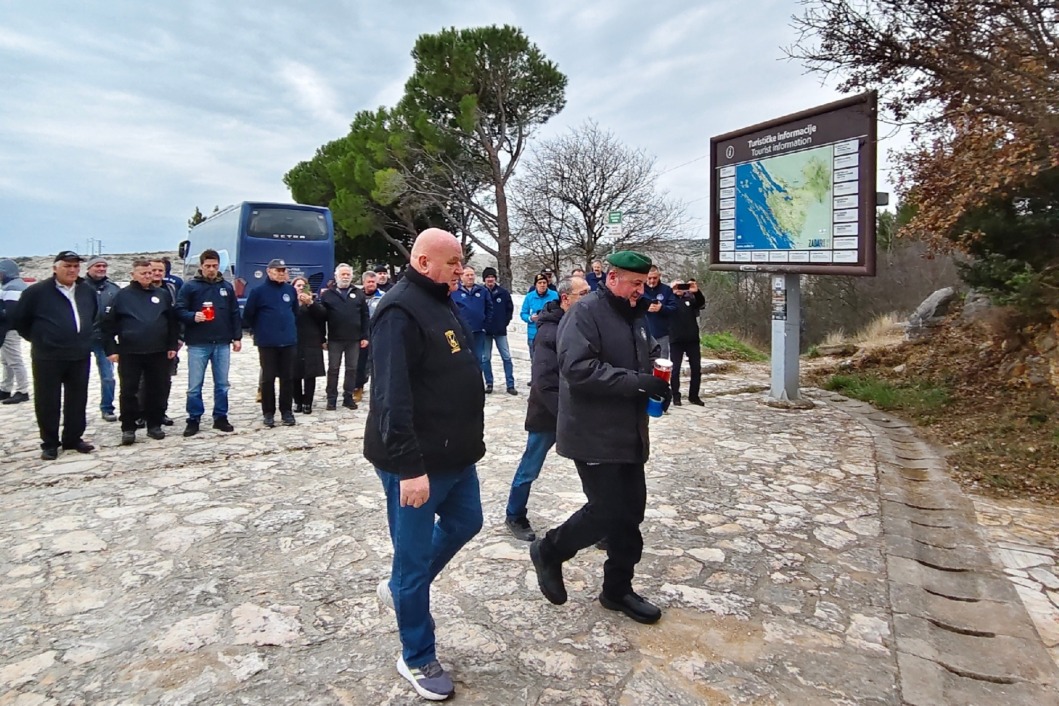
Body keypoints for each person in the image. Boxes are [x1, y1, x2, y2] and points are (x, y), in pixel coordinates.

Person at [364, 228, 485, 701]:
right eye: (453, 262)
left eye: (461, 261)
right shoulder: (398, 310)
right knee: (412, 561)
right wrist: (409, 468)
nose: (460, 269)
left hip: (455, 454)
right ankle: (416, 654)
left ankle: (399, 590)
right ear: (422, 261)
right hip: (415, 463)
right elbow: (390, 396)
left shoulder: (442, 299)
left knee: (466, 522)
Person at [529, 250, 671, 625]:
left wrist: (657, 383)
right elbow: (577, 368)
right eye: (635, 283)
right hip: (592, 431)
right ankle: (550, 550)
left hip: (629, 432)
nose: (641, 290)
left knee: (631, 513)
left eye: (644, 283)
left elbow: (649, 355)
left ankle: (617, 590)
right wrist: (636, 382)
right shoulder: (585, 312)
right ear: (611, 278)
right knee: (606, 510)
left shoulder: (635, 315)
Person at [505, 275, 590, 541]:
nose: (589, 298)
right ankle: (514, 514)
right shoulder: (548, 332)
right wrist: (566, 415)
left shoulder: (583, 324)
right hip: (549, 413)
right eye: (583, 293)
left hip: (578, 412)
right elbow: (544, 382)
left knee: (592, 468)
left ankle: (599, 519)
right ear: (566, 299)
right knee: (530, 467)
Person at [11, 251, 99, 460]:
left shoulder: (86, 290)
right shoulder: (37, 292)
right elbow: (21, 320)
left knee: (77, 398)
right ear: (55, 268)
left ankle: (73, 438)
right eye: (67, 266)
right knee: (47, 400)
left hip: (79, 354)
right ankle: (50, 442)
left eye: (75, 266)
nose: (72, 270)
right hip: (48, 356)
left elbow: (93, 315)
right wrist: (42, 339)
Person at [103, 259, 180, 445]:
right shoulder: (122, 296)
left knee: (157, 389)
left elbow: (172, 322)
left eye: (149, 273)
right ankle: (128, 427)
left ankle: (154, 425)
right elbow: (107, 325)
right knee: (129, 391)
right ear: (133, 275)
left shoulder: (162, 294)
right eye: (143, 273)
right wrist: (111, 349)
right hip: (130, 352)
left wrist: (172, 346)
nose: (147, 276)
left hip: (158, 351)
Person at [174, 249, 242, 437]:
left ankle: (220, 416)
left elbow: (234, 313)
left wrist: (237, 337)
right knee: (194, 385)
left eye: (215, 266)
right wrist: (192, 316)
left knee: (222, 384)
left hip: (222, 342)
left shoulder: (226, 287)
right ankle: (193, 418)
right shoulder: (190, 287)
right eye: (208, 266)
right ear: (201, 266)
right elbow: (178, 310)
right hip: (198, 343)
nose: (211, 269)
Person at [243, 258, 299, 428]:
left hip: (288, 341)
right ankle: (268, 412)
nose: (281, 273)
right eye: (278, 270)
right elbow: (248, 315)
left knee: (287, 378)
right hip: (267, 342)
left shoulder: (290, 290)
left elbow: (295, 312)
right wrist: (260, 330)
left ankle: (286, 411)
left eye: (283, 270)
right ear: (269, 271)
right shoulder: (258, 292)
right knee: (268, 378)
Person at [320, 264, 369, 410]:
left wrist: (365, 336)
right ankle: (331, 398)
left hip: (354, 339)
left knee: (352, 369)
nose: (346, 277)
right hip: (335, 339)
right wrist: (322, 338)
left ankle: (348, 397)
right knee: (333, 369)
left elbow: (365, 316)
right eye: (343, 274)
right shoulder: (327, 294)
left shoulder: (358, 293)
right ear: (336, 276)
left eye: (348, 274)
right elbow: (321, 318)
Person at [82, 256, 121, 421]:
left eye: (104, 266)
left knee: (108, 376)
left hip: (103, 338)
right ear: (89, 268)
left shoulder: (113, 289)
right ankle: (76, 410)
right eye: (97, 266)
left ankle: (107, 408)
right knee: (78, 377)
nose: (101, 269)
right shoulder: (79, 287)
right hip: (82, 338)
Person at [290, 276, 327, 414]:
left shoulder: (313, 302)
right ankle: (297, 401)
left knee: (310, 373)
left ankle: (308, 402)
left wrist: (310, 303)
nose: (301, 288)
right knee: (294, 373)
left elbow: (323, 316)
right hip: (294, 341)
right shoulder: (290, 302)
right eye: (298, 285)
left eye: (303, 285)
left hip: (311, 341)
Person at [450, 266, 493, 386]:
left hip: (479, 331)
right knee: (463, 358)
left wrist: (485, 324)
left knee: (479, 358)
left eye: (472, 275)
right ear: (461, 277)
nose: (470, 277)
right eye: (467, 275)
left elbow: (489, 308)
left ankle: (478, 383)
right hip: (461, 332)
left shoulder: (482, 291)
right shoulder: (455, 291)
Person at [669, 279, 706, 407]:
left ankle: (694, 396)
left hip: (692, 340)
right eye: (677, 287)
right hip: (676, 340)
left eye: (681, 286)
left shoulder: (690, 299)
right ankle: (676, 396)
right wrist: (671, 292)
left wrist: (696, 292)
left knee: (696, 369)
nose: (679, 289)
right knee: (675, 370)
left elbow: (701, 303)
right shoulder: (670, 300)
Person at [480, 266, 516, 395]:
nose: (490, 279)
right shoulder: (481, 292)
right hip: (486, 332)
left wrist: (504, 323)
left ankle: (510, 384)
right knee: (485, 358)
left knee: (506, 357)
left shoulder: (503, 293)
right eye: (488, 277)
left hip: (500, 331)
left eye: (492, 277)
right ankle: (489, 383)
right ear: (484, 279)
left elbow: (509, 309)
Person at [0, 259, 30, 405]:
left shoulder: (13, 287)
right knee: (6, 361)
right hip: (9, 328)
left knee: (14, 361)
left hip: (9, 329)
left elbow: (10, 312)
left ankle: (22, 390)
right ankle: (5, 388)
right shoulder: (13, 285)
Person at [353, 270, 385, 401]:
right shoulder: (357, 296)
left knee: (378, 363)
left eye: (373, 282)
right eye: (369, 282)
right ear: (363, 282)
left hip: (378, 333)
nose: (371, 284)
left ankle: (379, 388)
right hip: (361, 334)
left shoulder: (383, 296)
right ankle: (358, 387)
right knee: (360, 363)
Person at [520, 274, 559, 364]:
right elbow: (523, 313)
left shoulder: (555, 295)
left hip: (551, 333)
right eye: (540, 283)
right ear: (535, 285)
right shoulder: (529, 297)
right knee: (535, 361)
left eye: (544, 283)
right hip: (533, 334)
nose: (542, 285)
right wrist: (530, 318)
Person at [643, 265, 677, 360]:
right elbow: (631, 306)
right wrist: (645, 308)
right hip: (643, 334)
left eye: (655, 278)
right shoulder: (639, 289)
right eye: (649, 278)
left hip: (661, 335)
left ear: (659, 276)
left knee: (662, 363)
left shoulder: (666, 290)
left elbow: (674, 308)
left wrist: (661, 308)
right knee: (643, 363)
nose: (652, 281)